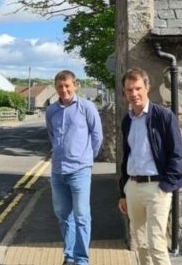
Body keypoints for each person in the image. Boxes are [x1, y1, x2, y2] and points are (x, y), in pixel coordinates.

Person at [117, 68, 182, 265]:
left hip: (157, 188)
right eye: (129, 90)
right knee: (139, 243)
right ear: (124, 92)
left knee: (156, 243)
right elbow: (127, 157)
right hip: (133, 187)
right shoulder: (127, 120)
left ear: (147, 88)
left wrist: (166, 186)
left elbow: (177, 154)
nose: (134, 94)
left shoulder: (163, 116)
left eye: (138, 88)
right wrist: (123, 192)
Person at [46, 70, 103, 265]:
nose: (64, 90)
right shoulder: (51, 111)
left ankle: (81, 259)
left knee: (81, 216)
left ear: (75, 85)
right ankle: (69, 256)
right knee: (63, 216)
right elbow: (52, 136)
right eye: (60, 87)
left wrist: (86, 159)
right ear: (56, 88)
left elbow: (97, 137)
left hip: (80, 171)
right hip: (57, 172)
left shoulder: (87, 107)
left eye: (67, 86)